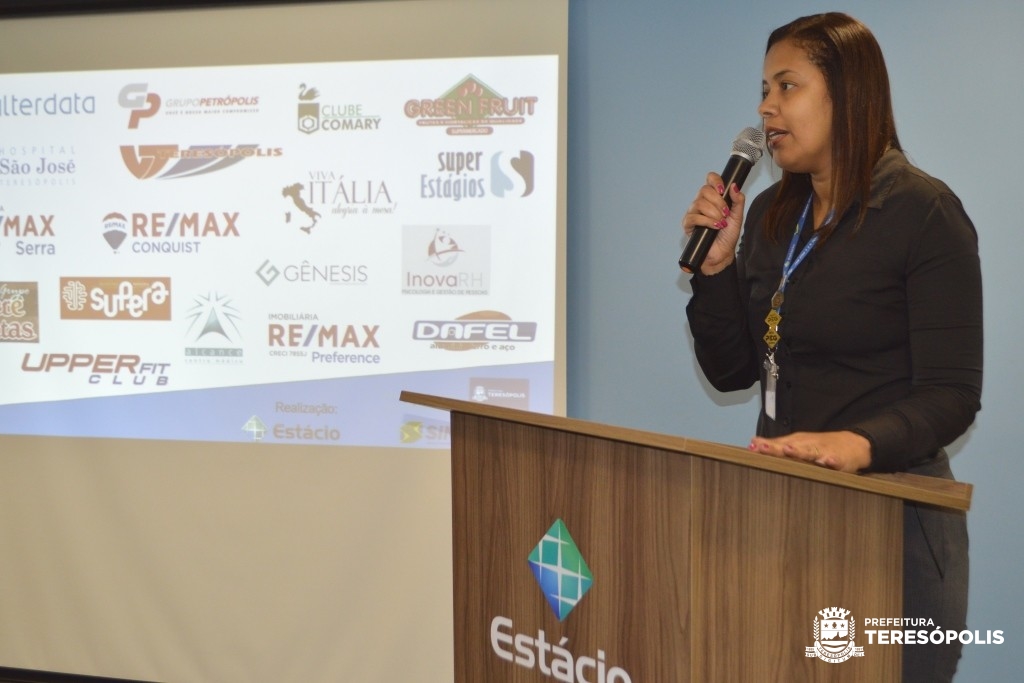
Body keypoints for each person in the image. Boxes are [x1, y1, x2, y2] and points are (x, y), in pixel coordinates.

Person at [681, 12, 982, 683]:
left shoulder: (923, 213)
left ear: (848, 94)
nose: (766, 107)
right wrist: (716, 270)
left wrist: (857, 443)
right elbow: (733, 371)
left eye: (787, 86)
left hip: (893, 525)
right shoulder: (770, 215)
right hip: (783, 516)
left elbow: (953, 394)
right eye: (764, 90)